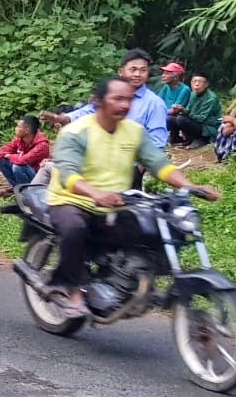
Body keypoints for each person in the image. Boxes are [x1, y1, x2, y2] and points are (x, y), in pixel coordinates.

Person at [47, 76, 220, 317]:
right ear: (99, 101)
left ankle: (126, 279)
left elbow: (159, 164)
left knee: (151, 228)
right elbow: (67, 173)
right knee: (74, 228)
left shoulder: (134, 131)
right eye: (118, 98)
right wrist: (96, 194)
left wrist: (191, 186)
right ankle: (72, 291)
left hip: (117, 201)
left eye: (128, 99)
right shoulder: (77, 131)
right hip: (72, 200)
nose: (125, 105)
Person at [48, 49, 169, 148]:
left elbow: (157, 142)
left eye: (143, 70)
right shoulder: (109, 94)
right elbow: (89, 111)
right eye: (133, 69)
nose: (137, 74)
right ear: (121, 72)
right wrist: (65, 118)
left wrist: (137, 170)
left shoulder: (154, 104)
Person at [0, 115, 51, 191]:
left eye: (18, 127)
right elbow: (2, 150)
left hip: (39, 180)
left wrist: (9, 156)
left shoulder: (42, 145)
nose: (15, 129)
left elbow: (23, 160)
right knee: (2, 160)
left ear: (27, 130)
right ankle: (18, 188)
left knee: (18, 167)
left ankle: (28, 191)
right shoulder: (20, 140)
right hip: (27, 171)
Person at [168, 73, 222, 149]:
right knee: (170, 118)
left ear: (206, 84)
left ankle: (201, 140)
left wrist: (184, 111)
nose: (196, 84)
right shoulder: (192, 94)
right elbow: (188, 110)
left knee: (181, 119)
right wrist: (181, 109)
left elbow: (201, 118)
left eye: (200, 82)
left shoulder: (211, 98)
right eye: (194, 81)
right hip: (195, 122)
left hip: (208, 127)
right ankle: (176, 139)